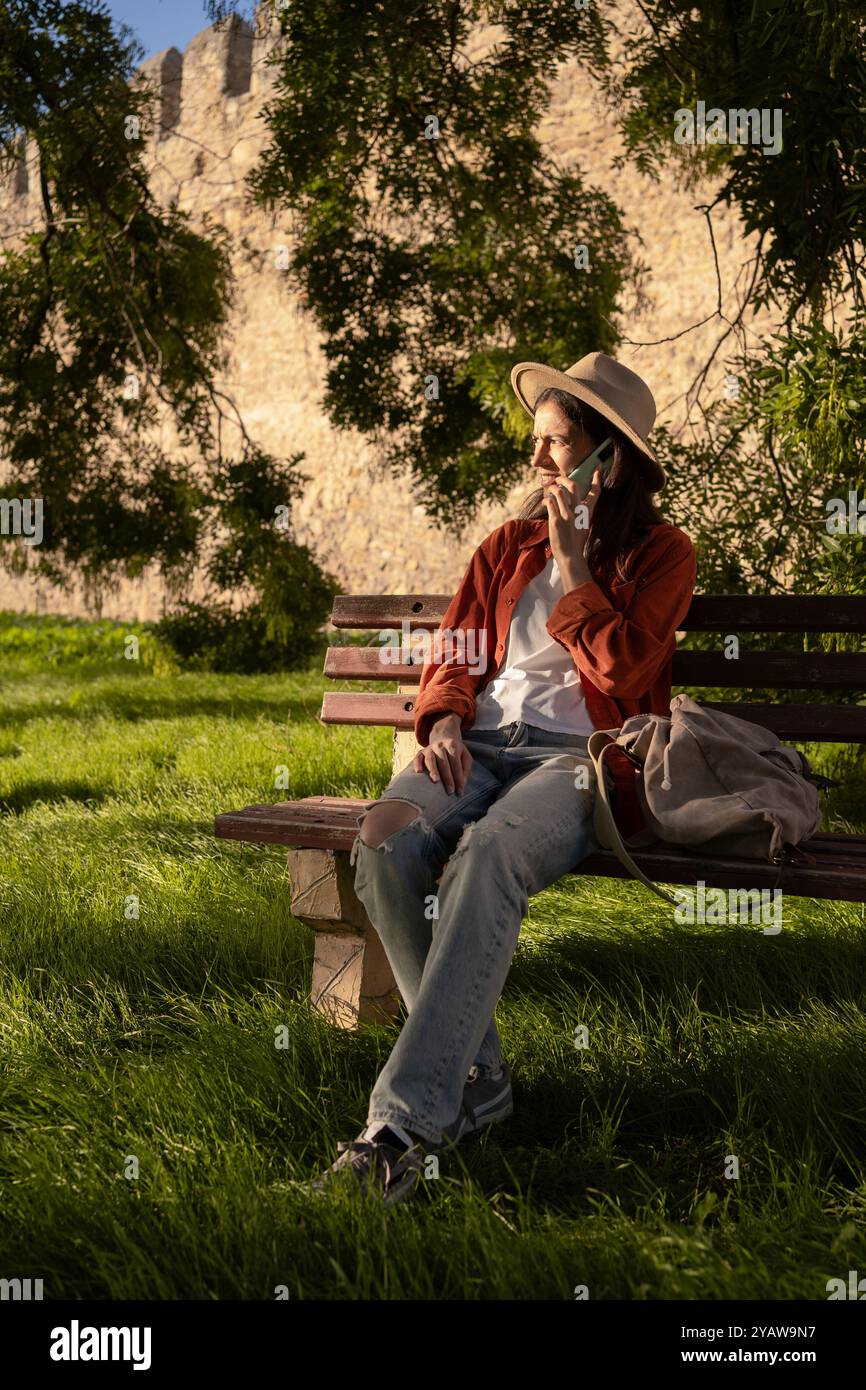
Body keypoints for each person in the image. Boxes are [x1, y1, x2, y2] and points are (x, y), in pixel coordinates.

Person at [311, 351, 697, 1206]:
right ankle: (479, 1077)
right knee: (384, 836)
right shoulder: (502, 547)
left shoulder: (664, 555)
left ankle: (400, 1130)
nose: (534, 463)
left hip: (579, 762)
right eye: (536, 443)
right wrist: (444, 717)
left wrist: (575, 569)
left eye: (554, 444)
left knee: (490, 852)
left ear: (611, 458)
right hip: (477, 746)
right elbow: (453, 653)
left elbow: (628, 673)